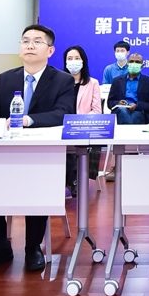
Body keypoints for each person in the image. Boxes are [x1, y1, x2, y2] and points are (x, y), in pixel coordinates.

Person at [0, 24, 77, 275]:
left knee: (37, 180)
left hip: (42, 155)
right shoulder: (6, 78)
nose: (30, 45)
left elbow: (63, 114)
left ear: (50, 50)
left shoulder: (62, 80)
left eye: (37, 41)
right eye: (25, 41)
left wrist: (28, 120)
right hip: (4, 153)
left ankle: (33, 247)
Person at [63, 45, 101, 196]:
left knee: (78, 142)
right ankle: (71, 181)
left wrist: (79, 122)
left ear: (83, 61)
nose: (73, 61)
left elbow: (97, 110)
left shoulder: (93, 83)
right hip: (62, 126)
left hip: (83, 126)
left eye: (77, 58)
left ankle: (74, 181)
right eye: (70, 58)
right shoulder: (59, 83)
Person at [107, 52, 149, 124]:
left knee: (135, 115)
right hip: (120, 111)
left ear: (142, 65)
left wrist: (137, 106)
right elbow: (110, 103)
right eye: (131, 61)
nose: (134, 64)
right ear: (127, 64)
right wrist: (119, 103)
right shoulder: (117, 81)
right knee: (122, 110)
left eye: (137, 62)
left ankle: (127, 130)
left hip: (140, 112)